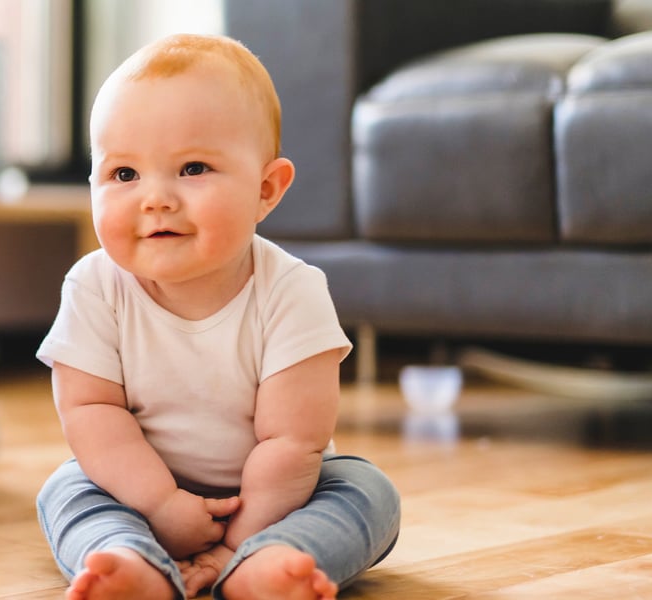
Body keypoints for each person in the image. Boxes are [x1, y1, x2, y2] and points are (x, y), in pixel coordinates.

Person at [34, 33, 401, 600]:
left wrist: (239, 539)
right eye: (124, 174)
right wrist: (160, 503)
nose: (155, 198)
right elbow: (90, 411)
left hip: (277, 497)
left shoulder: (292, 291)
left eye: (193, 167)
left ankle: (269, 562)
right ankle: (130, 562)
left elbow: (292, 440)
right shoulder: (94, 286)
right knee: (66, 488)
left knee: (366, 490)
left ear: (266, 189)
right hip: (135, 486)